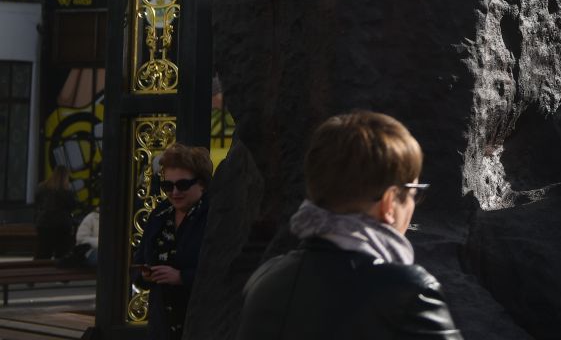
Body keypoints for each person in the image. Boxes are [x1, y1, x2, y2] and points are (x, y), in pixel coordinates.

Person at [239, 111, 461, 340]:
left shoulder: (263, 280)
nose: (414, 205)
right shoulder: (408, 292)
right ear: (389, 202)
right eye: (415, 193)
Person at [132, 143, 211, 340]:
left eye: (183, 185)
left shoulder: (213, 215)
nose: (174, 192)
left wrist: (182, 277)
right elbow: (139, 260)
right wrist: (145, 274)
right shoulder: (160, 214)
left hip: (201, 321)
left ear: (201, 183)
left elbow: (225, 270)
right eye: (168, 186)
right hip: (162, 324)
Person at [34, 165, 77, 260]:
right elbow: (73, 206)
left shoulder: (42, 187)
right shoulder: (67, 191)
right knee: (62, 254)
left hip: (44, 223)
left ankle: (40, 273)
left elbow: (38, 201)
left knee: (43, 253)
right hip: (62, 225)